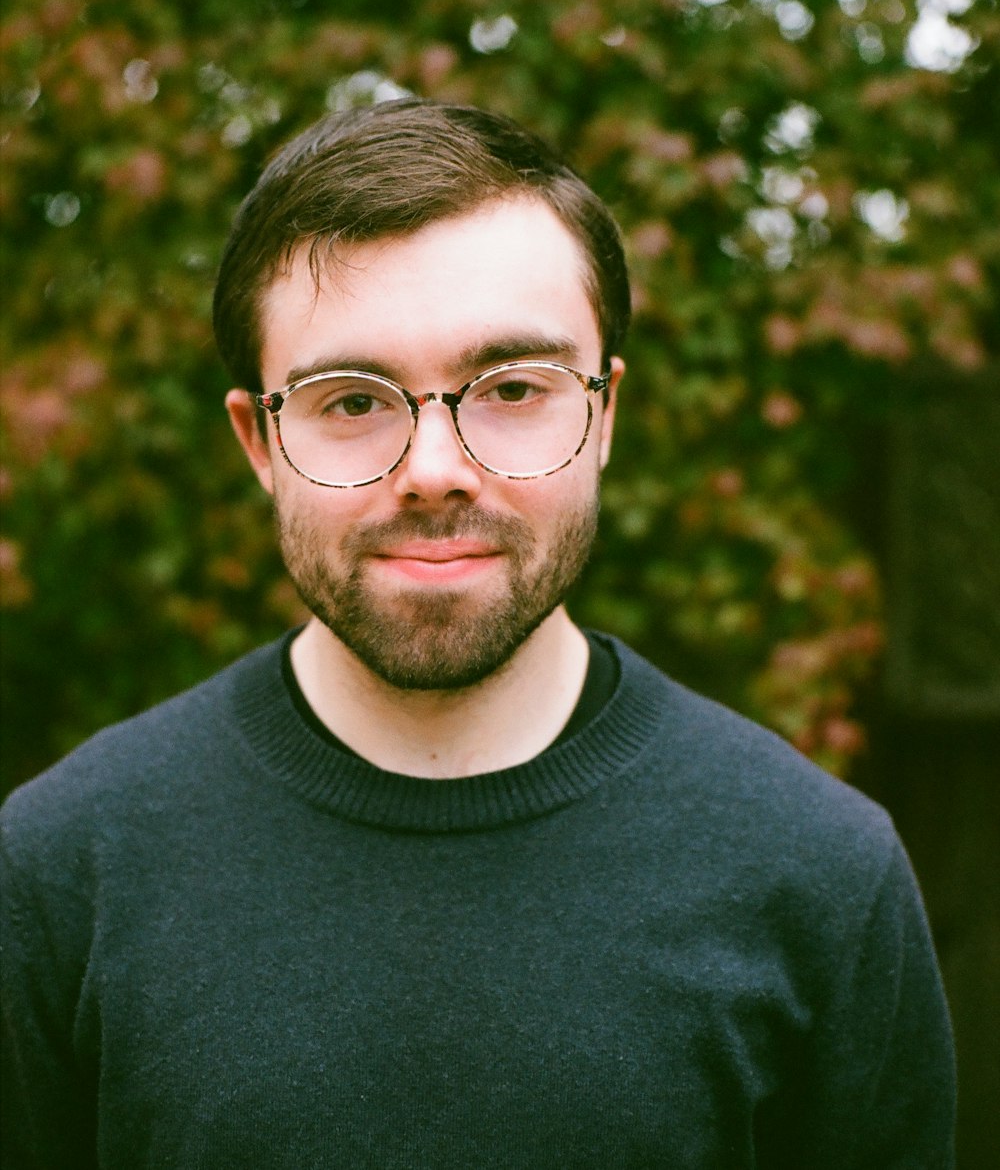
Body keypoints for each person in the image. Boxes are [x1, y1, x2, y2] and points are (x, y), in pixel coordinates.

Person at [2, 100, 955, 1168]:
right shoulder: (58, 874)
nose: (436, 468)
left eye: (510, 388)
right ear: (258, 439)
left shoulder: (819, 872)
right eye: (352, 399)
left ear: (602, 415)